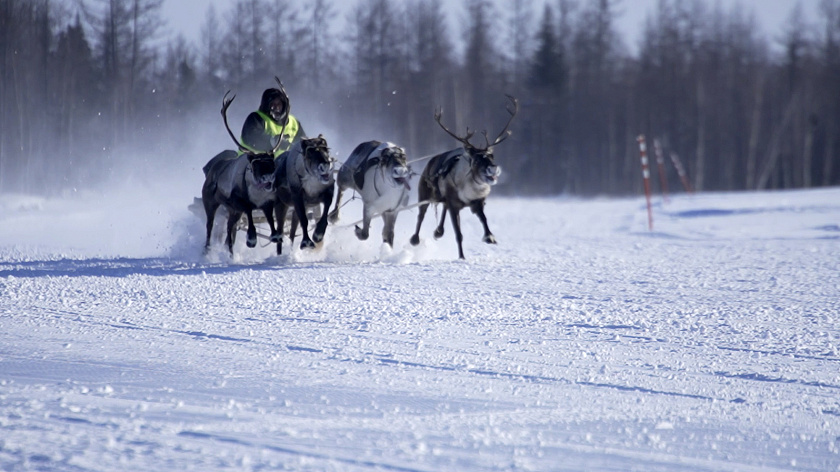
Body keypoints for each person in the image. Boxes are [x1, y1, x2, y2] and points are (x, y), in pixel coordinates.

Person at [240, 84, 305, 157]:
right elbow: (252, 138)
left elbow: (302, 143)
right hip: (252, 162)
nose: (276, 107)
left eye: (279, 104)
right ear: (266, 105)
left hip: (283, 164)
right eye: (272, 104)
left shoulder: (294, 123)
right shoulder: (256, 118)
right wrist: (274, 141)